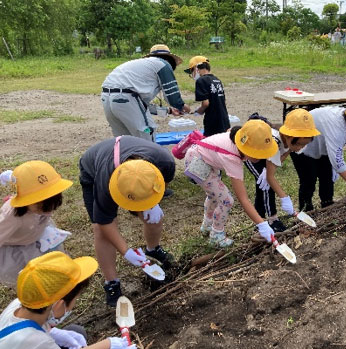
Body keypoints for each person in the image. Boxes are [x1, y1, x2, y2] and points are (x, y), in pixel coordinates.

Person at [0, 251, 137, 349]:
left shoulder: (19, 305)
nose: (74, 305)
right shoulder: (32, 340)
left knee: (76, 331)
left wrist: (54, 332)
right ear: (59, 305)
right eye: (76, 300)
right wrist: (109, 344)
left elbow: (32, 337)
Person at [79, 136, 176, 306]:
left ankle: (153, 250)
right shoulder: (105, 181)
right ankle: (112, 283)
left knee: (153, 216)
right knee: (100, 231)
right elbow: (104, 223)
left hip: (134, 170)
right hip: (93, 171)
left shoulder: (165, 162)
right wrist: (126, 252)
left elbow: (164, 183)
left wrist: (153, 203)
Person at [181, 120, 279, 247]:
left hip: (204, 157)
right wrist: (261, 224)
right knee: (226, 200)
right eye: (258, 154)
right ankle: (216, 235)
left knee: (214, 195)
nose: (261, 157)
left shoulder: (239, 137)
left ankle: (207, 226)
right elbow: (243, 199)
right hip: (197, 161)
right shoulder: (232, 158)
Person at [245, 110, 320, 233]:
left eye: (303, 145)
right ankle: (272, 220)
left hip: (265, 153)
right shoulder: (275, 142)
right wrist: (284, 197)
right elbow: (270, 177)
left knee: (261, 186)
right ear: (288, 136)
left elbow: (286, 152)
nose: (300, 148)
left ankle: (259, 219)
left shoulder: (292, 140)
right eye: (299, 144)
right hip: (251, 154)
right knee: (266, 185)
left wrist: (272, 165)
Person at [0, 161, 72, 288]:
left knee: (54, 266)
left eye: (53, 205)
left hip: (37, 234)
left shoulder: (43, 206)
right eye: (40, 206)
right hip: (19, 246)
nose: (49, 211)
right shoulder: (11, 217)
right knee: (34, 280)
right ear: (24, 200)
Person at [101, 44, 190, 142]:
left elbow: (139, 106)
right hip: (127, 97)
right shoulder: (164, 64)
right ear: (171, 60)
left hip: (106, 97)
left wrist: (168, 111)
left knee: (123, 141)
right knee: (146, 137)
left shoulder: (141, 68)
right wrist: (182, 106)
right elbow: (172, 96)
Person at [184, 56, 230, 137]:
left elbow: (205, 103)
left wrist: (198, 111)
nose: (192, 75)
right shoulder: (217, 80)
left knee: (211, 143)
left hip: (212, 121)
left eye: (192, 71)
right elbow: (223, 101)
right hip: (224, 120)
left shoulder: (201, 81)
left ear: (197, 68)